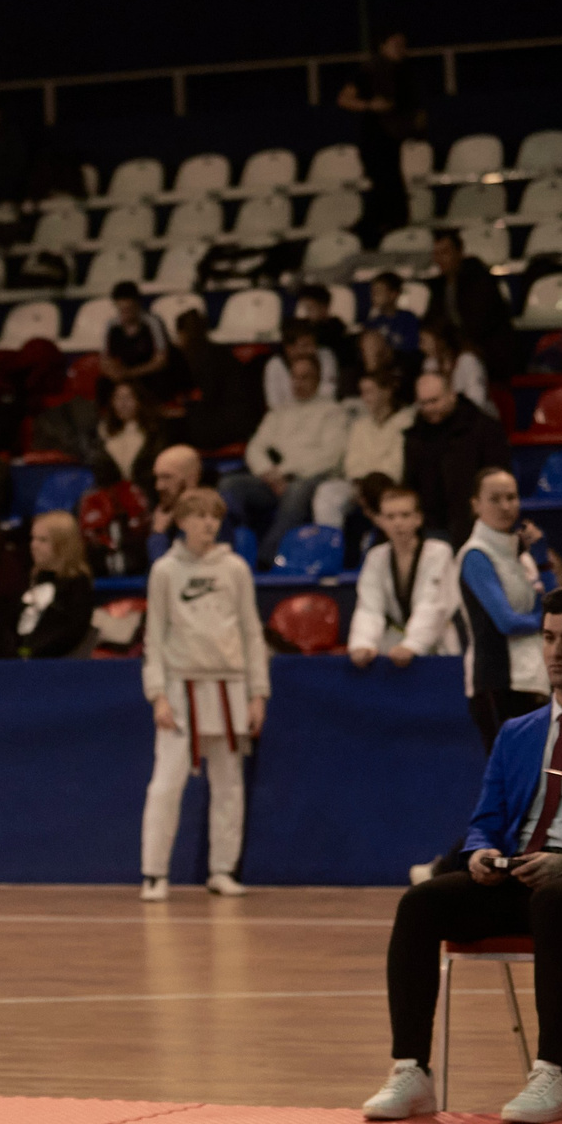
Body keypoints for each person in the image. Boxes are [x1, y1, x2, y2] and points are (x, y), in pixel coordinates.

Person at [362, 589, 562, 1124]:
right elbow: (485, 820)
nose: (556, 651)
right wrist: (481, 852)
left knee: (556, 899)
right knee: (420, 904)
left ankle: (554, 1074)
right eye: (548, 638)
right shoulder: (517, 733)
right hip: (520, 878)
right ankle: (411, 1069)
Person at [138, 488, 267, 902]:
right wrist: (157, 694)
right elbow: (154, 636)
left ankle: (222, 870)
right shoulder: (164, 570)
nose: (208, 523)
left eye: (214, 516)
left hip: (230, 685)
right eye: (199, 516)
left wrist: (258, 693)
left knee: (229, 785)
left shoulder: (235, 568)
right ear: (181, 522)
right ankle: (154, 873)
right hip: (181, 687)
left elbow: (251, 632)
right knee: (166, 784)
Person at [222, 349, 349, 564]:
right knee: (230, 485)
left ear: (318, 379)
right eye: (295, 377)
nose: (298, 383)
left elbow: (330, 456)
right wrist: (267, 472)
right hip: (273, 480)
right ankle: (233, 550)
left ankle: (266, 559)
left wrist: (285, 472)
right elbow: (255, 448)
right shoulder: (279, 412)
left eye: (305, 377)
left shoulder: (333, 412)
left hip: (310, 480)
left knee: (296, 490)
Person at [459, 468, 553, 748]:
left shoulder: (521, 554)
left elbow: (554, 605)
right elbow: (507, 622)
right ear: (476, 505)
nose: (505, 506)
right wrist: (546, 621)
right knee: (510, 770)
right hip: (496, 682)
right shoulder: (475, 555)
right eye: (495, 499)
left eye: (511, 497)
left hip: (533, 677)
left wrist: (543, 561)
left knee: (543, 767)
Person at [347, 484, 461, 667]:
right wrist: (363, 643)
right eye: (390, 517)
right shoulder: (376, 557)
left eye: (405, 515)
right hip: (396, 645)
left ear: (418, 518)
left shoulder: (439, 552)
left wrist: (413, 644)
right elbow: (369, 608)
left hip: (438, 644)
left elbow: (433, 605)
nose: (398, 523)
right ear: (380, 521)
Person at [402, 372, 511, 547]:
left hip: (476, 524)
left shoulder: (483, 428)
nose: (429, 408)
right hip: (432, 527)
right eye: (423, 403)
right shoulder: (416, 436)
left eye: (434, 401)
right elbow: (410, 482)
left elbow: (498, 477)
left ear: (451, 395)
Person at [338, 30, 423, 239]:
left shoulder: (405, 71)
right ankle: (375, 225)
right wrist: (370, 105)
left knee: (392, 179)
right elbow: (344, 99)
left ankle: (394, 222)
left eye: (403, 44)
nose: (400, 49)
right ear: (383, 46)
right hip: (374, 136)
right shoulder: (370, 70)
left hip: (393, 137)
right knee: (381, 179)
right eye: (395, 44)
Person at [314, 372, 416, 532]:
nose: (364, 398)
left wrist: (370, 484)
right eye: (362, 392)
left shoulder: (406, 422)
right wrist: (362, 486)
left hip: (390, 486)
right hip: (358, 485)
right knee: (327, 491)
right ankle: (330, 543)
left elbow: (396, 465)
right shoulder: (359, 425)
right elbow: (352, 463)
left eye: (370, 392)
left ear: (386, 392)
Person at [426, 228, 515, 384]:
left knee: (467, 362)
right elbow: (433, 321)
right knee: (430, 362)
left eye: (445, 252)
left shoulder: (480, 279)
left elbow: (480, 324)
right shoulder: (439, 286)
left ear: (459, 252)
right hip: (454, 348)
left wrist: (456, 348)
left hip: (488, 350)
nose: (440, 259)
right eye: (436, 253)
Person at [172, 308, 262, 454]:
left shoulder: (210, 358)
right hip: (230, 417)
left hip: (231, 423)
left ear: (184, 334)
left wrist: (183, 410)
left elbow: (210, 398)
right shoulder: (213, 352)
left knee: (176, 429)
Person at [15, 512, 94, 659]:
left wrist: (31, 653)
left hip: (55, 665)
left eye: (43, 540)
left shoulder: (77, 585)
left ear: (63, 545)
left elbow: (69, 633)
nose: (33, 545)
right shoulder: (30, 579)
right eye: (33, 538)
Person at [99, 284, 170, 387]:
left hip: (148, 375)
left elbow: (161, 360)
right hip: (124, 374)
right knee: (103, 384)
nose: (125, 314)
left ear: (137, 304)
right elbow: (105, 359)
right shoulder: (112, 326)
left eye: (129, 309)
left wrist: (130, 373)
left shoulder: (152, 323)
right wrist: (114, 373)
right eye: (122, 310)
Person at [263, 324, 341, 412]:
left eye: (314, 344)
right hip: (288, 415)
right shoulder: (275, 365)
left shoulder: (325, 355)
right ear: (289, 348)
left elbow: (329, 392)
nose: (312, 350)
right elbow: (274, 404)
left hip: (321, 411)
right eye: (305, 345)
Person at [144, 442, 207, 551]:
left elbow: (171, 564)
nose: (159, 486)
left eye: (167, 477)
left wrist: (158, 534)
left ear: (192, 478)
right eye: (157, 478)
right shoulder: (165, 514)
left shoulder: (212, 515)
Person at [419, 322, 490, 412]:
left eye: (423, 341)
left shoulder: (467, 361)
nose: (421, 347)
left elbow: (477, 401)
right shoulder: (431, 364)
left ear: (440, 340)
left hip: (476, 415)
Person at [364, 271, 422, 366]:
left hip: (402, 362)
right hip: (381, 364)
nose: (373, 296)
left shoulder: (408, 318)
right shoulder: (372, 322)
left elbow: (412, 348)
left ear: (393, 295)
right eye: (372, 292)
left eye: (378, 292)